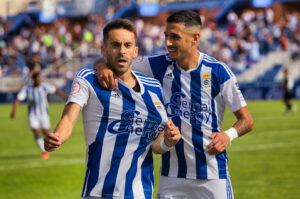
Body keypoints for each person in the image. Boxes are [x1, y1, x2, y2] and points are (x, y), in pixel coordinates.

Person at [95, 11, 254, 199]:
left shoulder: (218, 71)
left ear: (195, 38)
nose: (168, 43)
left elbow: (247, 120)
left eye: (175, 37)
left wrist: (228, 135)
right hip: (171, 177)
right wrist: (102, 67)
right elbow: (112, 62)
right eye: (166, 36)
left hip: (212, 175)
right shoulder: (157, 65)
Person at [44, 19, 181, 199]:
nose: (122, 50)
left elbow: (155, 145)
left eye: (127, 45)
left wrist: (168, 141)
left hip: (141, 194)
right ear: (104, 49)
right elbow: (69, 118)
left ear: (135, 51)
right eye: (115, 45)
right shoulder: (89, 80)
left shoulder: (153, 87)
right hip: (99, 193)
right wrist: (58, 137)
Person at [11, 72, 67, 160]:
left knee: (46, 132)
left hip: (44, 115)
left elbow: (56, 90)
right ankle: (44, 151)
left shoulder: (44, 86)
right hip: (33, 115)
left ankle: (55, 144)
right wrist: (14, 111)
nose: (40, 80)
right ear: (34, 79)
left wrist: (64, 97)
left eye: (40, 78)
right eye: (38, 78)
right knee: (36, 132)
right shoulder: (27, 89)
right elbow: (18, 99)